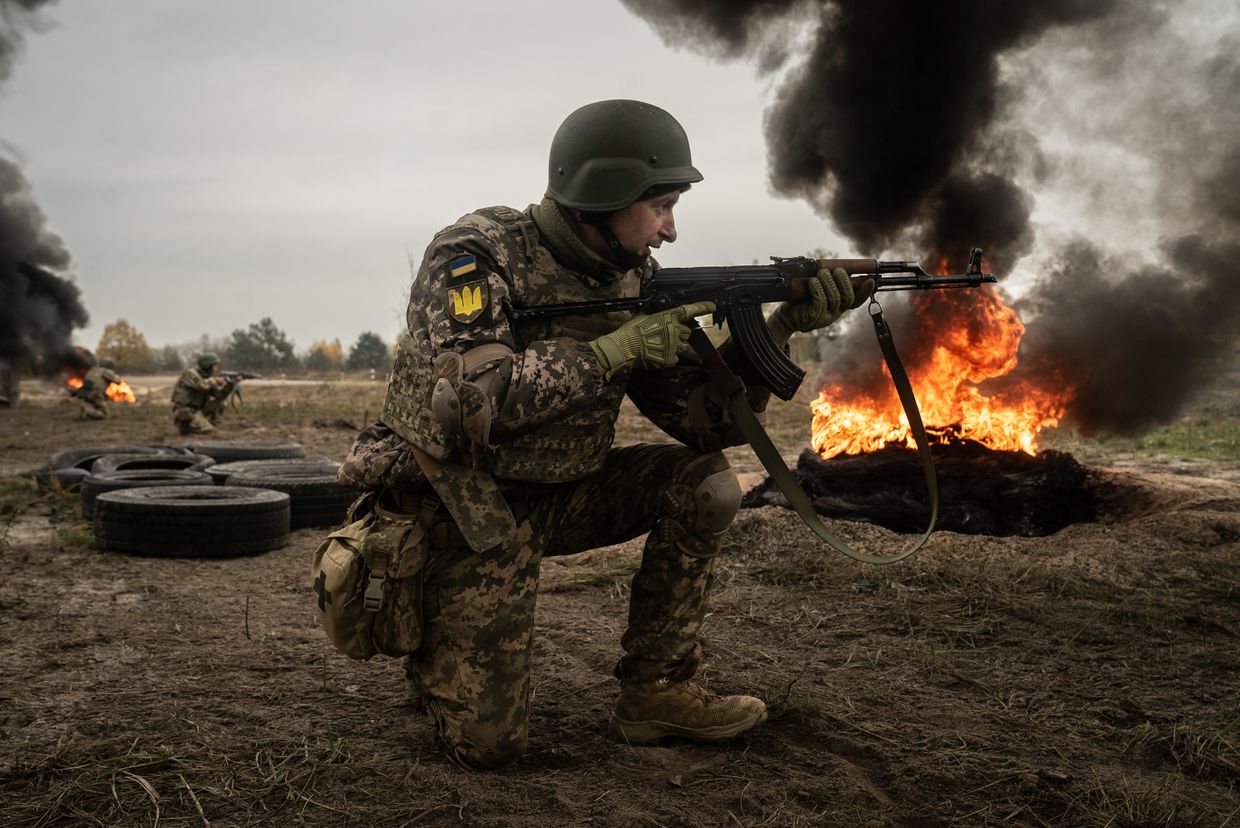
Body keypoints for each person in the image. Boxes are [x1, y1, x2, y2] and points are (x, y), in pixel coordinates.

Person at [337, 99, 870, 769]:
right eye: (662, 206)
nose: (671, 231)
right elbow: (471, 406)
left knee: (705, 484)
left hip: (565, 493)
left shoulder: (632, 277)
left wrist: (777, 328)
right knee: (489, 748)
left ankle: (656, 693)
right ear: (605, 194)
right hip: (467, 509)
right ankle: (438, 645)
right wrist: (611, 354)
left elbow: (698, 425)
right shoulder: (476, 255)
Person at [171, 353, 236, 434]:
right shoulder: (190, 373)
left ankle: (209, 424)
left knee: (220, 402)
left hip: (198, 410)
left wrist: (230, 384)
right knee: (210, 431)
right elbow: (201, 385)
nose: (216, 369)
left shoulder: (209, 378)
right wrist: (217, 380)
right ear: (207, 366)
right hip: (186, 411)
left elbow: (219, 395)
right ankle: (186, 426)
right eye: (215, 366)